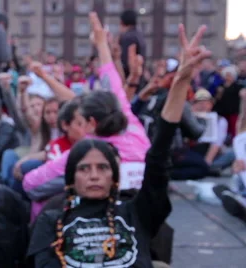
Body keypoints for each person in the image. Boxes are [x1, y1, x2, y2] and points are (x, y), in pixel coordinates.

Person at [27, 16, 210, 267]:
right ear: (72, 177)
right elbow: (111, 79)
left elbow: (159, 153)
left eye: (102, 167)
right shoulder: (53, 221)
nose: (93, 174)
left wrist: (181, 81)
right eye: (84, 169)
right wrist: (102, 46)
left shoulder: (134, 212)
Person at [119, 9, 146, 77]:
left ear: (122, 22)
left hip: (129, 78)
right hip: (139, 75)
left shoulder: (128, 37)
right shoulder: (139, 35)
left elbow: (124, 62)